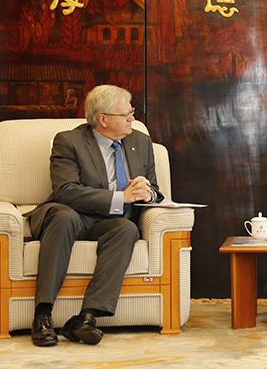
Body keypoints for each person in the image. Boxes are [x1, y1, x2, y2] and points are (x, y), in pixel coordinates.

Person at [27, 85, 164, 346]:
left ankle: (86, 318)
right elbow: (66, 190)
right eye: (126, 114)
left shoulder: (140, 141)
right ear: (103, 119)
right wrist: (121, 197)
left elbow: (155, 190)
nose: (132, 118)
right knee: (64, 217)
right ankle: (42, 315)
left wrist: (147, 194)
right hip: (72, 215)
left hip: (109, 222)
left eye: (132, 112)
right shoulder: (69, 141)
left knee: (127, 229)